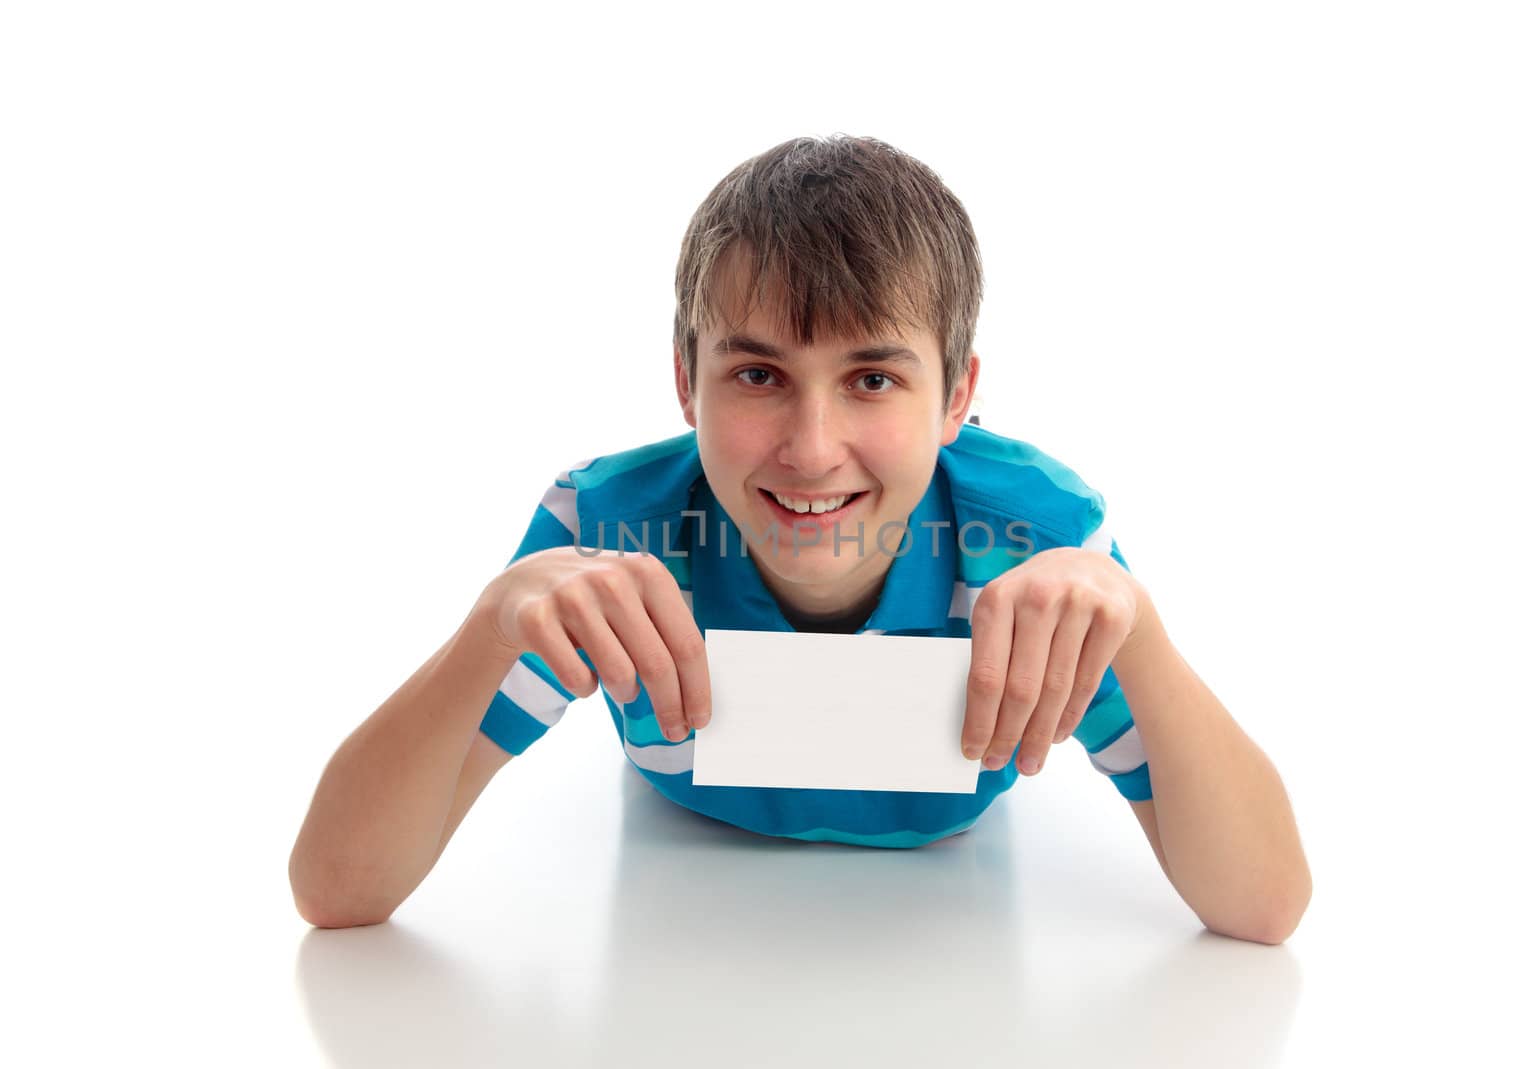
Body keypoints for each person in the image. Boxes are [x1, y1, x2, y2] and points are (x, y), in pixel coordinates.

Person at [289, 135, 1312, 943]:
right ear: (686, 383)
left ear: (957, 396)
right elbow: (336, 891)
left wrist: (1138, 629)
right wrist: (487, 626)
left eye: (872, 379)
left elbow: (1260, 906)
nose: (813, 451)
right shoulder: (605, 531)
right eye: (758, 375)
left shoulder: (1037, 540)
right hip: (679, 944)